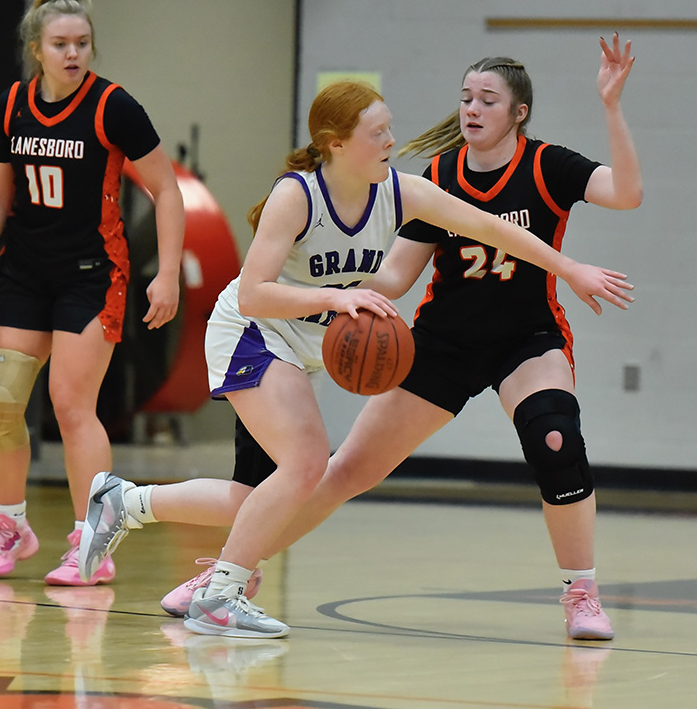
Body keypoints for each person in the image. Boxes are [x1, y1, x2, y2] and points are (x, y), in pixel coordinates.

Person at [78, 77, 633, 639]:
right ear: (337, 142)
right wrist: (335, 296)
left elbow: (491, 228)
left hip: (301, 349)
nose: (393, 139)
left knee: (261, 495)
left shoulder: (401, 191)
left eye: (390, 127)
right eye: (379, 132)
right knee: (306, 466)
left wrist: (570, 268)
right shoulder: (296, 195)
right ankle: (222, 594)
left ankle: (127, 502)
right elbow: (251, 293)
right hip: (252, 333)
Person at [0, 0, 185, 587]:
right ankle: (12, 528)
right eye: (61, 43)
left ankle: (93, 541)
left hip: (93, 272)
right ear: (38, 48)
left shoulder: (114, 107)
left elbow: (166, 191)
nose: (73, 53)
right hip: (25, 271)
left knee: (70, 404)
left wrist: (166, 274)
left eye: (82, 42)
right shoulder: (13, 104)